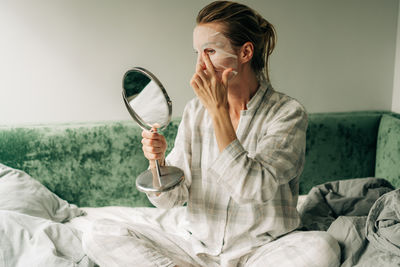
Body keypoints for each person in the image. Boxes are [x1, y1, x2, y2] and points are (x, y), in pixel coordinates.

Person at [83, 1, 340, 266]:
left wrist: (218, 112)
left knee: (324, 247)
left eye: (210, 51)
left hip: (262, 251)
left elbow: (252, 189)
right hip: (198, 251)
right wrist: (157, 162)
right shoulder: (196, 111)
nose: (200, 66)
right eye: (197, 53)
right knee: (98, 232)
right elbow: (172, 198)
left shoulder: (287, 113)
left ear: (245, 52)